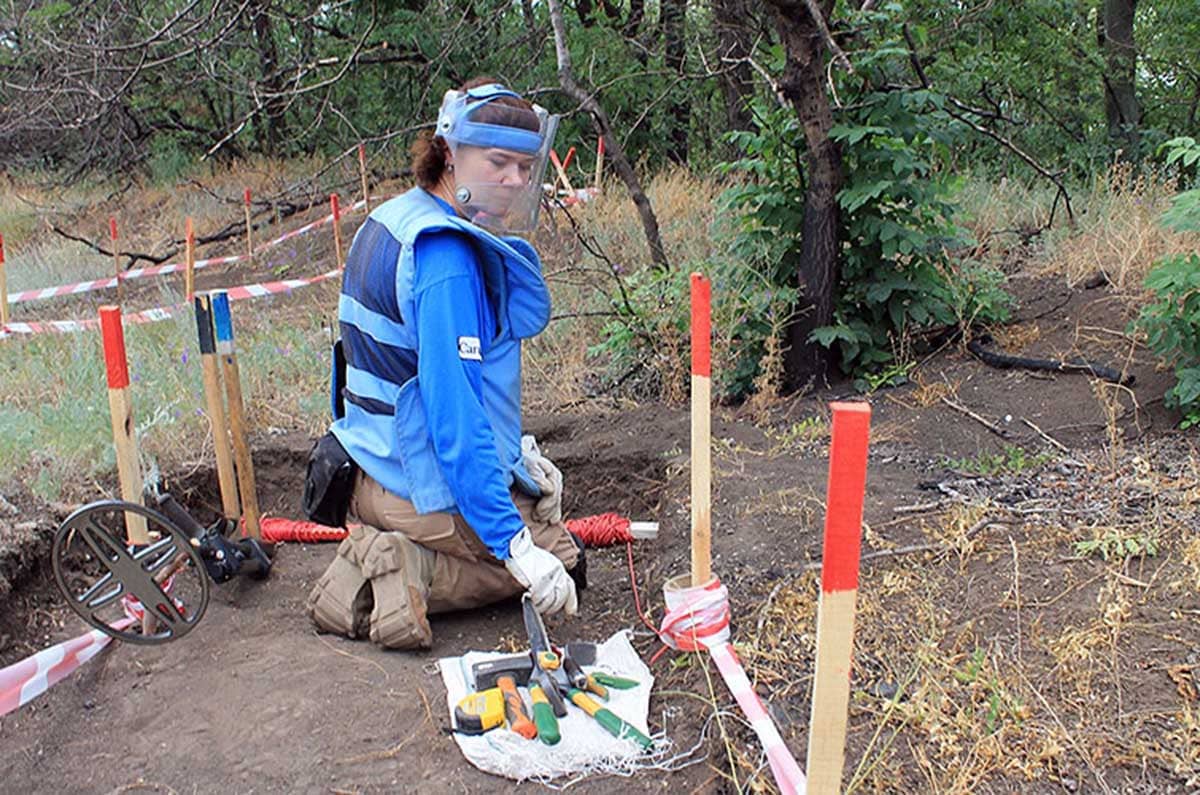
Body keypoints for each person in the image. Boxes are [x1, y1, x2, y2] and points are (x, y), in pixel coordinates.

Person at [305, 78, 583, 650]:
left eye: (525, 167)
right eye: (498, 162)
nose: (515, 180)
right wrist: (517, 544)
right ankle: (409, 567)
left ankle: (396, 540)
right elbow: (454, 419)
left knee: (529, 512)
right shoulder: (448, 261)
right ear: (450, 153)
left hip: (367, 462)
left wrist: (519, 458)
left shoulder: (395, 217)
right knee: (559, 560)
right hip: (412, 482)